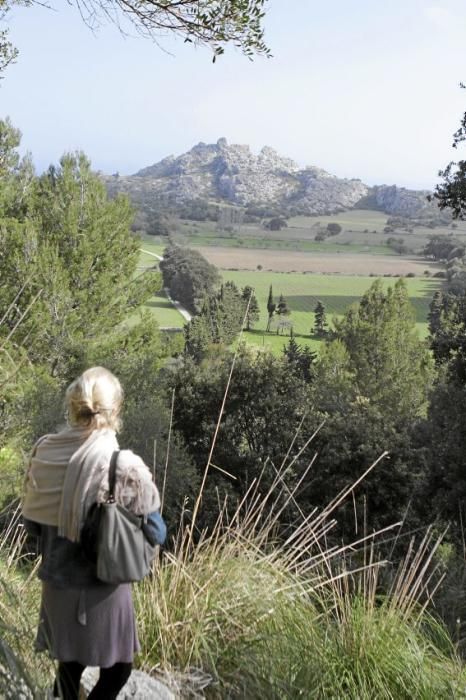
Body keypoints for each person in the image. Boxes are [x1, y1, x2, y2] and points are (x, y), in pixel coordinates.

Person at [22, 366, 162, 700]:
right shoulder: (123, 467)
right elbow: (156, 530)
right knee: (118, 671)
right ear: (115, 411)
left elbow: (32, 526)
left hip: (56, 585)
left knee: (69, 669)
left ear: (73, 407)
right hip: (104, 592)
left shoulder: (43, 452)